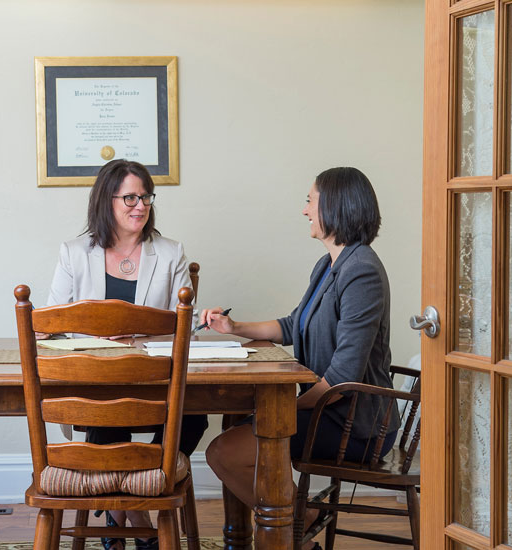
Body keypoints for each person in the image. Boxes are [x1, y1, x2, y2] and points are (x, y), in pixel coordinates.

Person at [200, 166, 398, 550]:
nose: (305, 211)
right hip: (327, 409)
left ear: (336, 206)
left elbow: (341, 377)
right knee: (235, 438)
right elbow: (294, 325)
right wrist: (234, 327)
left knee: (223, 452)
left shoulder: (362, 272)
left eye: (310, 201)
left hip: (353, 424)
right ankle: (301, 524)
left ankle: (293, 528)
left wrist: (284, 410)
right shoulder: (328, 265)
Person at [45, 159, 208, 550]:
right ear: (107, 201)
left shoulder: (170, 254)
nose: (141, 205)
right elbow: (48, 327)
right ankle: (138, 516)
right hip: (94, 378)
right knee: (106, 412)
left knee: (194, 417)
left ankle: (120, 513)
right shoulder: (74, 253)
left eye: (146, 197)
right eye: (130, 197)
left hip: (154, 379)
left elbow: (181, 331)